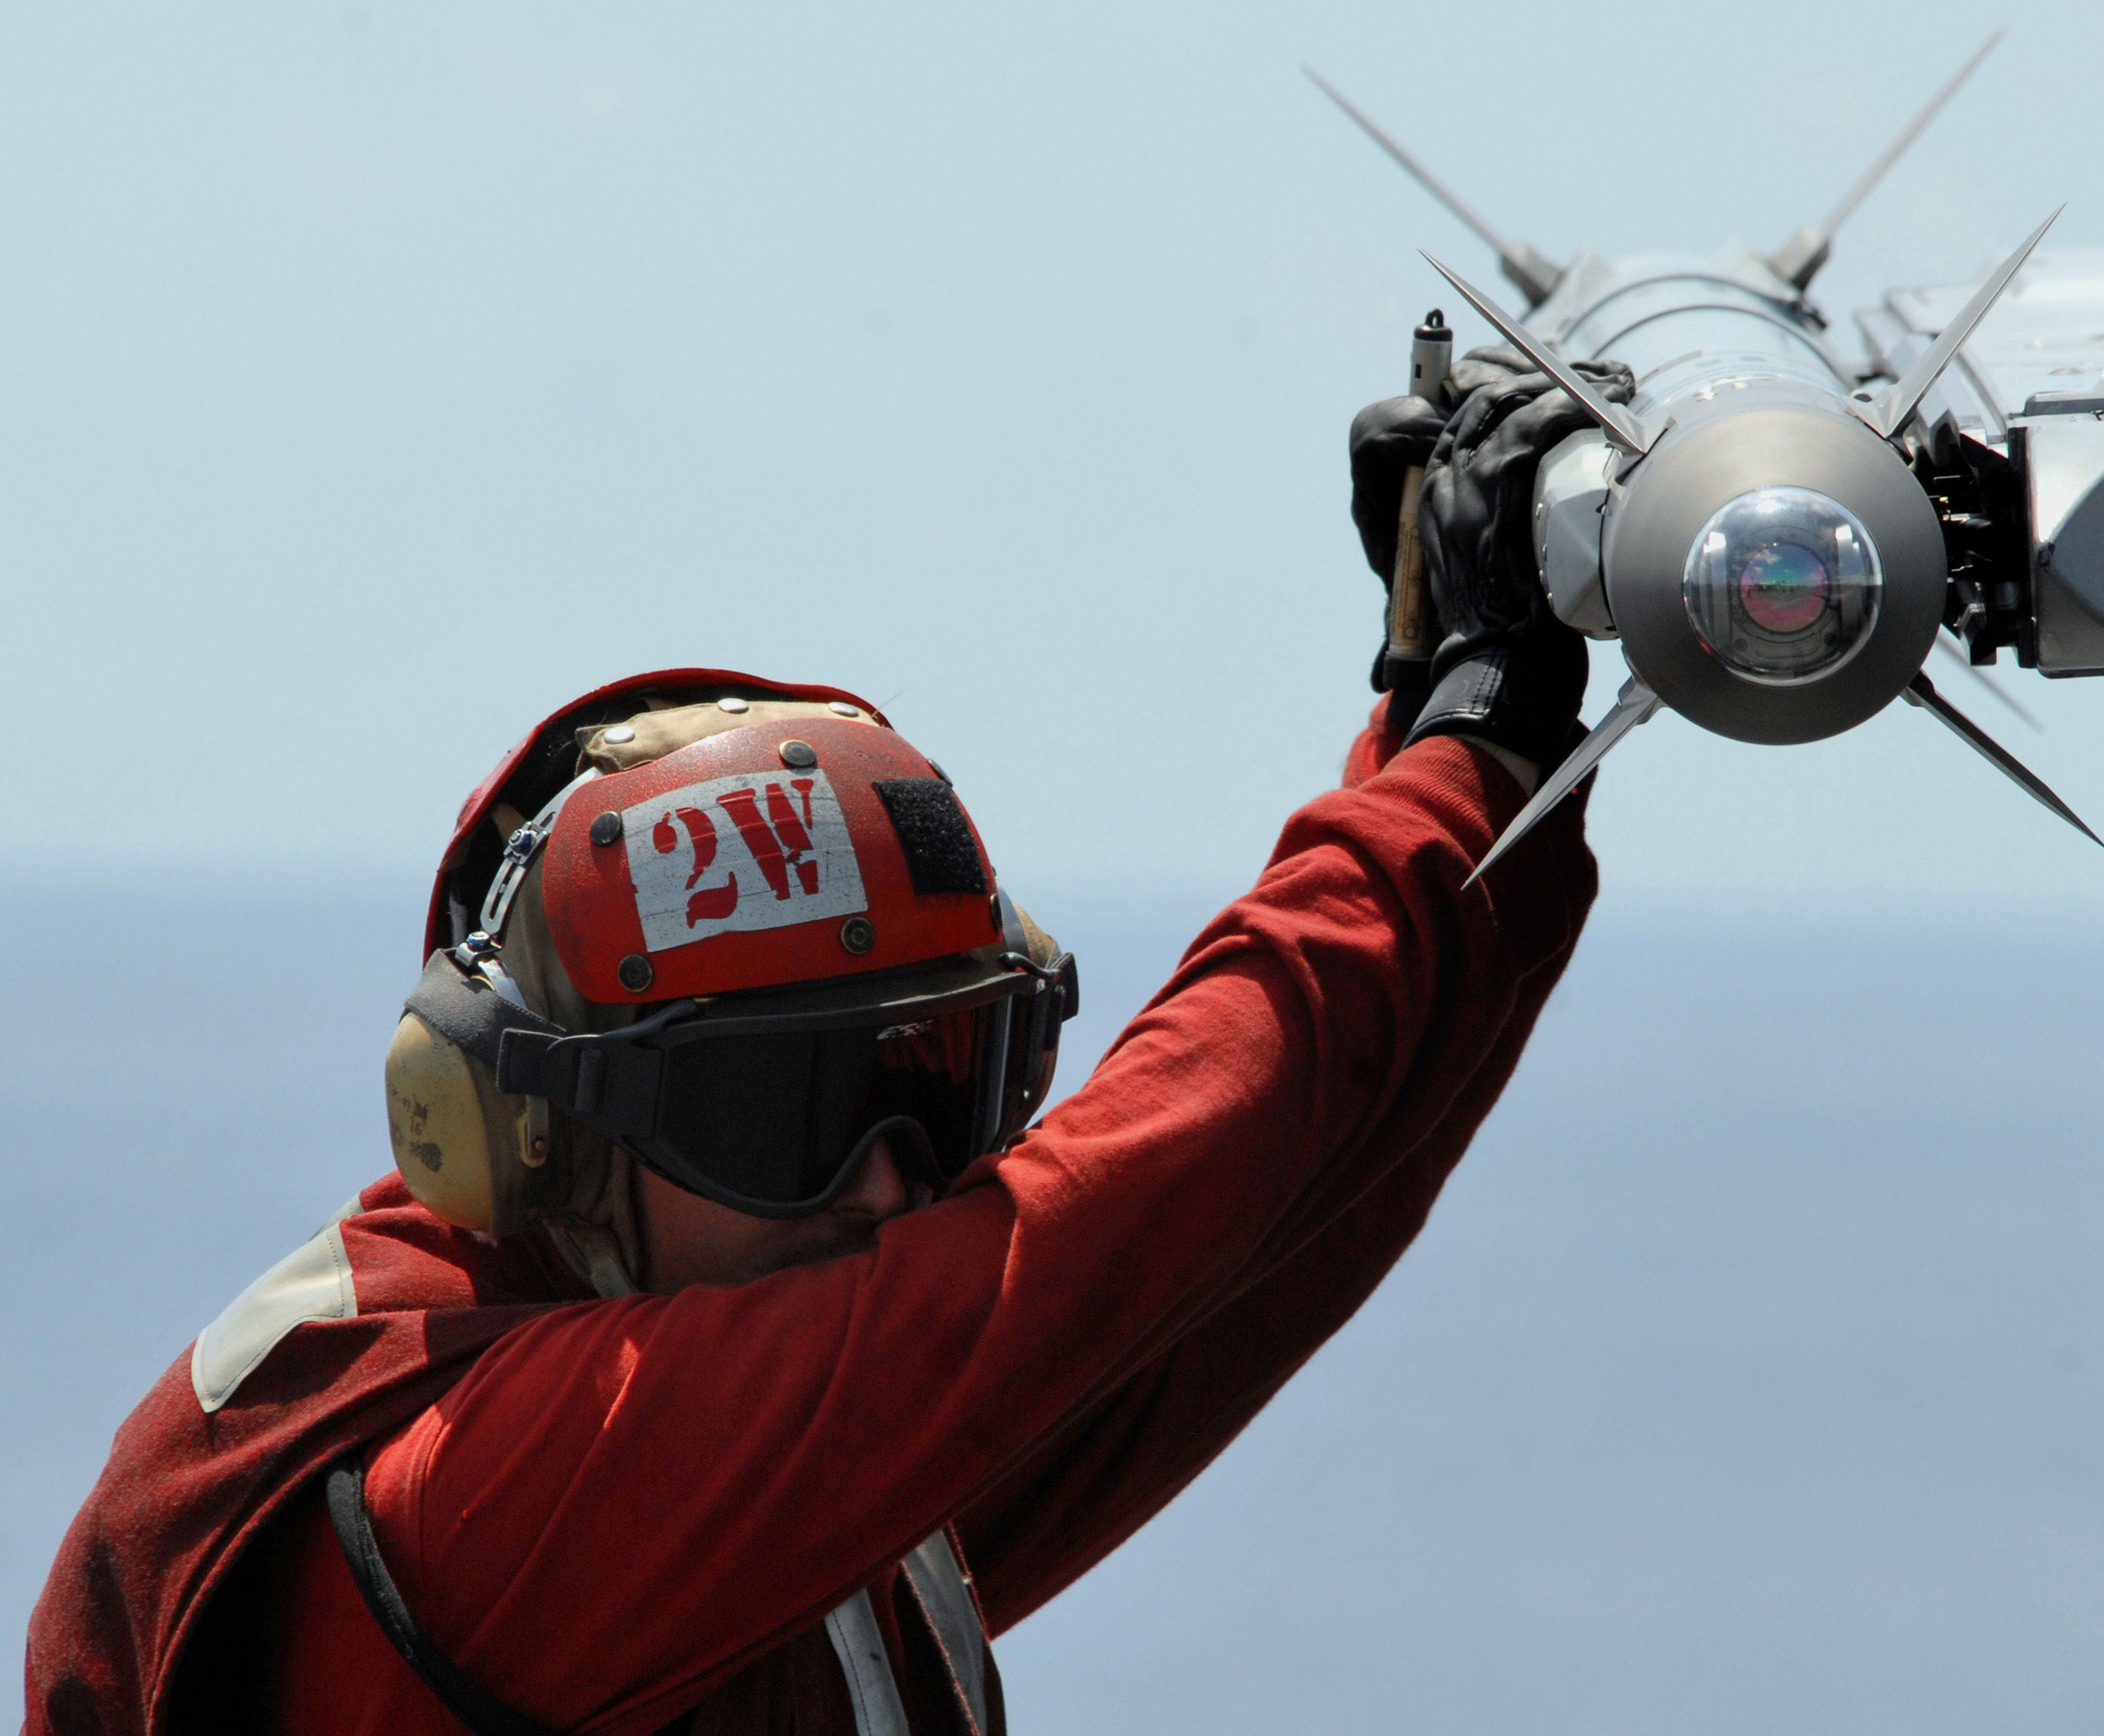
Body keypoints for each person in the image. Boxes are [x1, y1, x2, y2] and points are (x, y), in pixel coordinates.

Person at [24, 344, 1633, 1736]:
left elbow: (1229, 1248)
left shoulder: (766, 1465)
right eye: (785, 1109)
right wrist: (1463, 760)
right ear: (546, 1135)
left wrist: (1448, 727)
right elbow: (1118, 1220)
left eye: (936, 1085)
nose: (886, 1186)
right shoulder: (493, 1489)